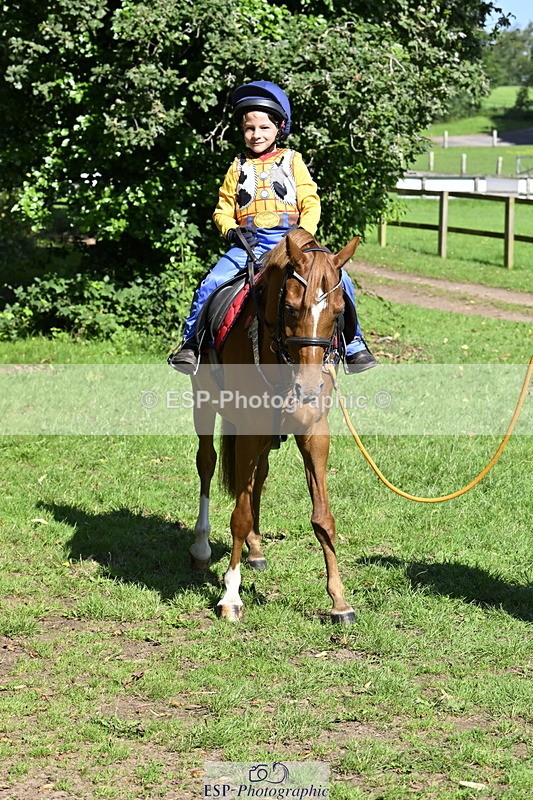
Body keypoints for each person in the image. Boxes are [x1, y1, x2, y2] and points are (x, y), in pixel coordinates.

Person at [169, 80, 377, 375]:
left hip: (292, 243)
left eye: (264, 128)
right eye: (250, 129)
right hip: (250, 245)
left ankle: (354, 344)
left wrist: (301, 234)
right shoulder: (237, 166)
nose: (256, 135)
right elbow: (223, 209)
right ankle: (192, 346)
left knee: (342, 283)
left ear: (279, 127)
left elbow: (311, 202)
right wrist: (231, 230)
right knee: (211, 284)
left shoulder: (293, 161)